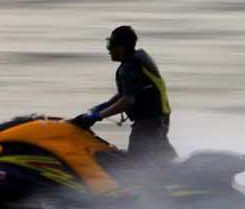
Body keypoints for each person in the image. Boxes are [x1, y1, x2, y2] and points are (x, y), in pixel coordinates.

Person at [73, 25, 175, 169]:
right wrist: (99, 108)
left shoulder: (129, 68)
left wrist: (98, 116)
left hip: (148, 123)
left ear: (121, 48)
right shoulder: (140, 58)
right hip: (160, 118)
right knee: (163, 159)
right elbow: (126, 94)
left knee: (136, 166)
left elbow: (127, 101)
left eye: (110, 45)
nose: (108, 50)